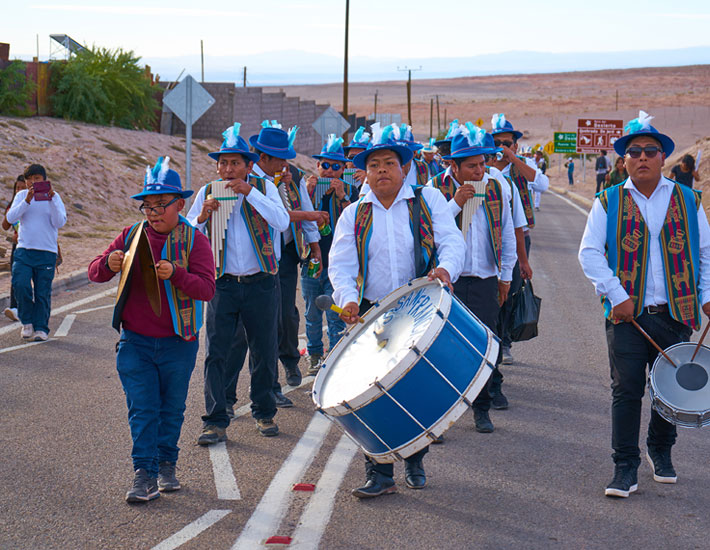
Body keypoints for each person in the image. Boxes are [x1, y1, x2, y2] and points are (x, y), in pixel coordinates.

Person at [578, 110, 710, 498]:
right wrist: (616, 296)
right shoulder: (607, 201)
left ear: (663, 157)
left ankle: (660, 450)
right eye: (633, 151)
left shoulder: (689, 199)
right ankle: (624, 466)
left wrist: (706, 296)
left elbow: (705, 252)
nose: (642, 157)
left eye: (650, 151)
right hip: (627, 318)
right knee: (626, 390)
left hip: (675, 313)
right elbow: (589, 254)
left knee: (670, 390)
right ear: (624, 160)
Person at [329, 124, 465, 498]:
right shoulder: (353, 214)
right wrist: (348, 296)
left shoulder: (428, 199)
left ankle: (416, 459)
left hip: (420, 305)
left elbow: (452, 241)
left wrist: (445, 270)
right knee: (372, 389)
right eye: (375, 165)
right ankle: (379, 471)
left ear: (404, 168)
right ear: (366, 173)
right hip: (373, 312)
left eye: (390, 162)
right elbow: (340, 264)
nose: (382, 170)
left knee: (411, 384)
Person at [88, 157, 216, 502]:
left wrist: (176, 272)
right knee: (142, 408)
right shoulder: (130, 235)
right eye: (148, 205)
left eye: (161, 205)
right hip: (136, 342)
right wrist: (107, 263)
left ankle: (167, 465)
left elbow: (207, 290)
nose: (154, 212)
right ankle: (143, 473)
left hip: (179, 342)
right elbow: (94, 272)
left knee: (171, 408)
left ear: (181, 204)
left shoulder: (194, 241)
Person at [187, 123, 290, 443]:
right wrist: (202, 217)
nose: (228, 169)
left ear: (248, 165)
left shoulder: (263, 187)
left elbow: (282, 221)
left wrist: (251, 193)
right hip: (223, 284)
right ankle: (215, 419)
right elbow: (188, 235)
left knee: (263, 349)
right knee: (216, 352)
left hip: (261, 282)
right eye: (223, 163)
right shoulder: (208, 191)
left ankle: (264, 412)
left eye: (235, 163)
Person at [428, 123, 519, 431]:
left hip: (484, 278)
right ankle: (439, 415)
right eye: (472, 165)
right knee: (442, 347)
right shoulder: (433, 189)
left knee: (484, 343)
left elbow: (506, 232)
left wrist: (506, 276)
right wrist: (455, 203)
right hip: (447, 279)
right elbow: (427, 232)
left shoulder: (497, 186)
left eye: (483, 164)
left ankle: (482, 407)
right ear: (453, 165)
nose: (480, 170)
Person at [250, 121, 326, 406]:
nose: (286, 163)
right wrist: (308, 217)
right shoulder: (249, 179)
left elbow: (302, 204)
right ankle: (268, 388)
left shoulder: (290, 175)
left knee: (285, 315)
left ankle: (290, 360)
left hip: (285, 255)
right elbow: (282, 214)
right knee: (261, 325)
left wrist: (315, 244)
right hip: (257, 258)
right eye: (281, 157)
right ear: (263, 157)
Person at [488, 114, 548, 365]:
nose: (502, 147)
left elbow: (542, 185)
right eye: (498, 142)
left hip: (519, 238)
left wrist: (514, 160)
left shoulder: (521, 166)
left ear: (514, 146)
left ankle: (505, 342)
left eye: (507, 143)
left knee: (510, 290)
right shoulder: (482, 167)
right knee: (489, 290)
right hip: (490, 237)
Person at [302, 135, 350, 375]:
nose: (329, 171)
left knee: (335, 311)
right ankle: (314, 355)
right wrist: (308, 193)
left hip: (337, 262)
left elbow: (355, 221)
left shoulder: (348, 191)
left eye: (336, 166)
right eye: (325, 165)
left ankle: (335, 356)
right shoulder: (305, 188)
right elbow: (295, 219)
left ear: (343, 169)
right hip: (311, 258)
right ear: (317, 166)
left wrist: (342, 196)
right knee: (312, 312)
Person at [6, 164, 66, 341]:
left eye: (37, 179)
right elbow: (10, 219)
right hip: (24, 250)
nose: (33, 182)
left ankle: (41, 328)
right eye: (29, 179)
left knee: (42, 293)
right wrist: (27, 201)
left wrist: (52, 199)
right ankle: (27, 322)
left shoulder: (55, 198)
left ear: (44, 180)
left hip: (46, 252)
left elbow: (59, 222)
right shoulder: (21, 196)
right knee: (20, 285)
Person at [2, 174, 25, 322]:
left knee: (29, 278)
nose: (19, 190)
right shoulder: (13, 205)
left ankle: (28, 307)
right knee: (15, 277)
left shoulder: (35, 204)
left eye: (23, 188)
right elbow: (5, 226)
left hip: (32, 246)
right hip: (17, 246)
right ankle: (14, 307)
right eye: (17, 188)